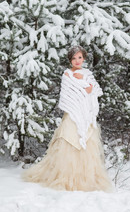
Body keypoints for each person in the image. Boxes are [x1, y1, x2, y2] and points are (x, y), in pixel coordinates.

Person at [22, 45, 113, 192]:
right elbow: (67, 95)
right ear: (70, 60)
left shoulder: (87, 73)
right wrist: (83, 84)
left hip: (86, 116)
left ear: (83, 58)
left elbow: (95, 90)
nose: (77, 61)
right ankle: (67, 177)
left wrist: (85, 83)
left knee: (87, 146)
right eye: (74, 58)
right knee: (69, 141)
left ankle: (84, 178)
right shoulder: (67, 75)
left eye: (79, 57)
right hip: (72, 115)